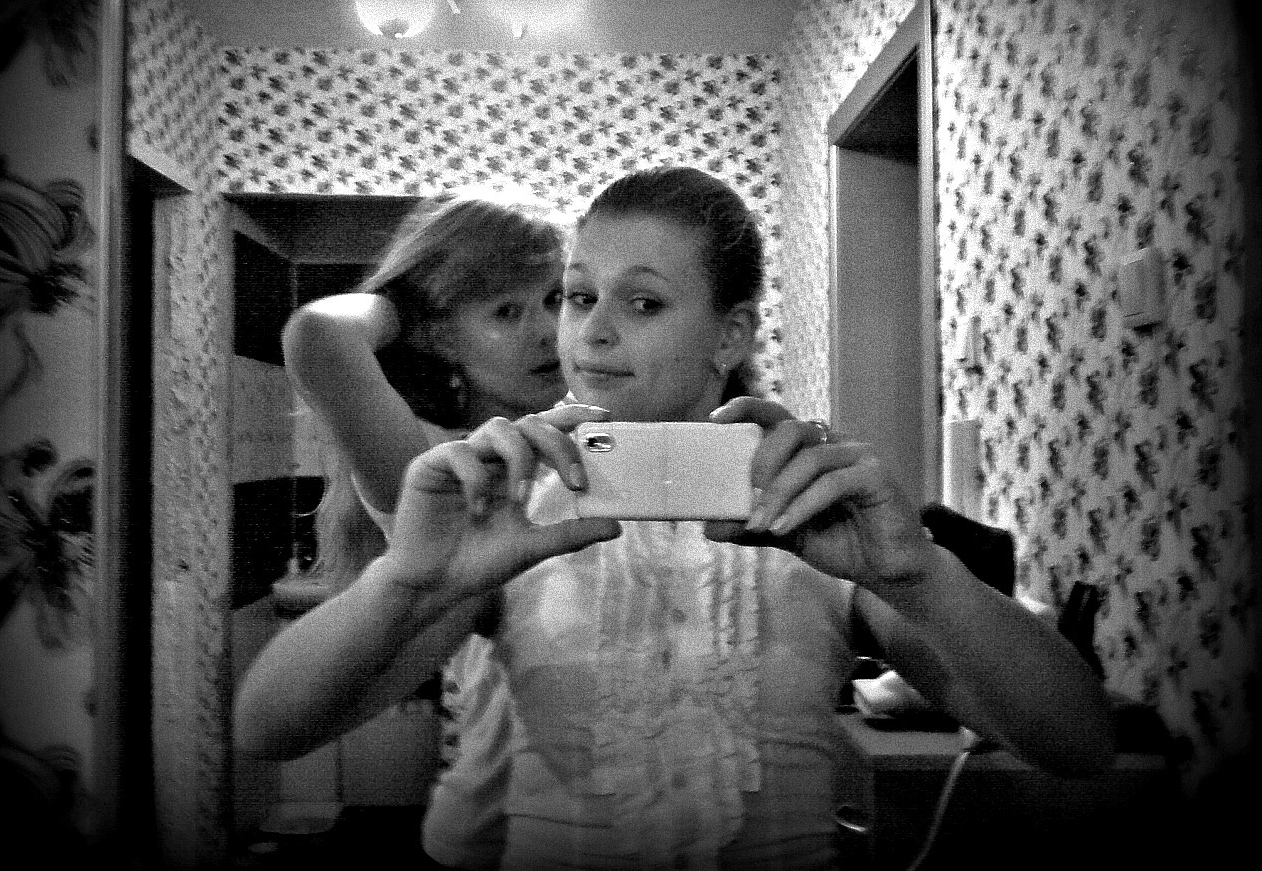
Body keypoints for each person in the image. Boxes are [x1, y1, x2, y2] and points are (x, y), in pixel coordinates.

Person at [238, 165, 1118, 870]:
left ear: (729, 335)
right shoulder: (520, 510)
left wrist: (918, 573)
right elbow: (271, 729)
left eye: (643, 302)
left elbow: (1078, 743)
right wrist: (405, 583)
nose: (590, 333)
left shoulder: (803, 506)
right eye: (578, 296)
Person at [278, 184, 568, 868]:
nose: (545, 331)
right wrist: (406, 306)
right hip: (494, 829)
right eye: (505, 311)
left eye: (558, 299)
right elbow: (319, 334)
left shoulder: (597, 448)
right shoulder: (436, 467)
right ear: (438, 336)